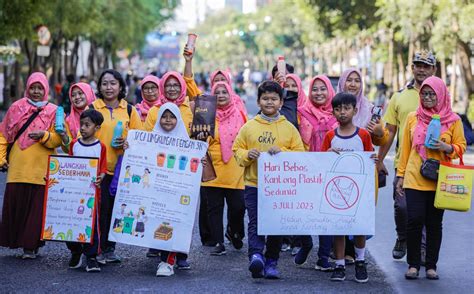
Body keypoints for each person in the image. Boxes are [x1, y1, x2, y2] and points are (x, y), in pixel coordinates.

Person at [233, 81, 304, 279]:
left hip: (281, 188)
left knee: (276, 224)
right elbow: (237, 150)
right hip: (254, 185)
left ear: (281, 102)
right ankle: (256, 256)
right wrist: (248, 154)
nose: (269, 102)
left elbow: (300, 154)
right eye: (265, 98)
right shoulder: (249, 127)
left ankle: (272, 261)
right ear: (258, 101)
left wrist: (284, 152)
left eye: (274, 98)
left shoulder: (289, 128)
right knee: (255, 221)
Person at [396, 76, 466, 280]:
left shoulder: (453, 120)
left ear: (441, 95)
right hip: (414, 177)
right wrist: (400, 176)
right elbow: (406, 149)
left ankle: (431, 266)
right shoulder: (412, 117)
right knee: (414, 220)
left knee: (435, 223)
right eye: (424, 94)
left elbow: (461, 146)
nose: (427, 97)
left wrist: (447, 147)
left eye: (431, 94)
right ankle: (413, 265)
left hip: (440, 179)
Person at [378, 51, 437, 260]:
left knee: (424, 211)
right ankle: (402, 237)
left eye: (426, 66)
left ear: (433, 69)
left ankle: (421, 249)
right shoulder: (399, 96)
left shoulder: (440, 95)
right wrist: (379, 159)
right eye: (417, 65)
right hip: (403, 163)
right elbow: (390, 131)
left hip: (432, 165)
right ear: (412, 68)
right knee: (401, 206)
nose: (421, 69)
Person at [0, 72, 62, 259]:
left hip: (42, 168)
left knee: (36, 210)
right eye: (33, 87)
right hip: (18, 168)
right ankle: (18, 241)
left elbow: (59, 140)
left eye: (40, 88)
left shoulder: (55, 111)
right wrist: (1, 158)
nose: (36, 91)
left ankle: (30, 246)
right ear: (27, 88)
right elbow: (3, 135)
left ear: (46, 89)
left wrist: (44, 135)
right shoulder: (16, 107)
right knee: (17, 205)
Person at [321, 93, 377, 283]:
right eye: (338, 109)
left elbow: (370, 158)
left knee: (359, 227)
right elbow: (320, 161)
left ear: (355, 110)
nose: (342, 112)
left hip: (359, 190)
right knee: (339, 228)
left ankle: (360, 261)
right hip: (337, 191)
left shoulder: (363, 135)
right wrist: (327, 154)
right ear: (333, 112)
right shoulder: (330, 136)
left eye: (346, 108)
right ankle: (339, 264)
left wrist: (374, 160)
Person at [90, 69, 142, 264]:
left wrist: (128, 143)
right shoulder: (93, 107)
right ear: (100, 87)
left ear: (120, 86)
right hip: (98, 170)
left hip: (122, 171)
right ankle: (97, 249)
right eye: (104, 83)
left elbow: (140, 138)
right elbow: (83, 133)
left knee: (117, 211)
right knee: (100, 211)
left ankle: (110, 249)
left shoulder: (129, 110)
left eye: (113, 83)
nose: (109, 87)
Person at [336, 68, 387, 264]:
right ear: (343, 82)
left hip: (364, 169)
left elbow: (381, 139)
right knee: (339, 205)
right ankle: (342, 252)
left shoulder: (370, 109)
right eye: (349, 80)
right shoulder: (335, 105)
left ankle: (356, 254)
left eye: (357, 80)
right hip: (339, 166)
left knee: (359, 209)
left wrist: (379, 131)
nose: (353, 84)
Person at [294, 75, 337, 271]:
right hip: (305, 169)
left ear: (330, 91)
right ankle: (305, 243)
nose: (318, 93)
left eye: (323, 89)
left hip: (329, 171)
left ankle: (323, 257)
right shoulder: (301, 112)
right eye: (315, 89)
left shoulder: (338, 114)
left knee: (326, 214)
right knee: (302, 211)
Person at [199, 81, 246, 256]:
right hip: (213, 167)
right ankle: (219, 242)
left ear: (231, 94)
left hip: (235, 168)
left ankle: (233, 231)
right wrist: (201, 137)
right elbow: (199, 140)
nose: (220, 95)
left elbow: (246, 138)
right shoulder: (206, 114)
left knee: (238, 206)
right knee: (214, 208)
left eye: (224, 92)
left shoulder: (240, 113)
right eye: (217, 92)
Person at [151, 102, 196, 277]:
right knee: (160, 222)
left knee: (175, 222)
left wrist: (200, 163)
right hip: (157, 190)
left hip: (177, 191)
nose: (168, 120)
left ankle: (168, 261)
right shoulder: (150, 139)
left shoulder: (186, 143)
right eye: (164, 116)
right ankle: (165, 257)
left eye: (172, 117)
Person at [66, 109, 107, 272]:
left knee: (92, 226)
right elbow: (65, 166)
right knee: (72, 223)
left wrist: (101, 177)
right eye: (81, 124)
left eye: (87, 125)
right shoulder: (73, 145)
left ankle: (91, 256)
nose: (82, 128)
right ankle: (75, 251)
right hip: (73, 194)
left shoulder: (101, 147)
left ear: (97, 127)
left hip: (92, 195)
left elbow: (103, 168)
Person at [59, 82, 96, 150]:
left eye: (80, 93)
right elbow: (68, 150)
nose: (77, 97)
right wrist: (64, 136)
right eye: (73, 95)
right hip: (78, 159)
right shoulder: (68, 120)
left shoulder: (100, 114)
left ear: (89, 94)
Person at [271, 62, 299, 129]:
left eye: (284, 76)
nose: (281, 79)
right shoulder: (270, 103)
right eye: (278, 79)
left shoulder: (305, 103)